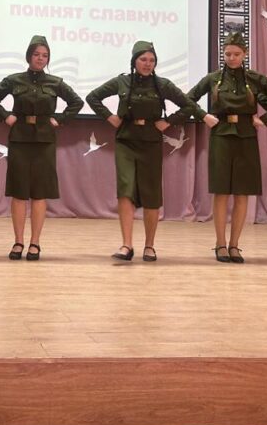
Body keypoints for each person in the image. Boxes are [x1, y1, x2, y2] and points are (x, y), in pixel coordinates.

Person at [86, 40, 205, 262]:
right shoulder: (122, 81)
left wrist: (169, 122)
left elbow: (188, 105)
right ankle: (126, 245)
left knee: (151, 193)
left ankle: (149, 246)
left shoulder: (162, 84)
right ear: (134, 61)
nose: (147, 64)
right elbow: (92, 97)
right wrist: (109, 117)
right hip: (126, 141)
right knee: (125, 189)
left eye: (152, 60)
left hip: (150, 142)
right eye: (143, 59)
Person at [0, 35, 84, 261]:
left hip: (44, 140)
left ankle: (35, 243)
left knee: (39, 193)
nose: (40, 59)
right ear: (28, 56)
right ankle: (18, 241)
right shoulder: (14, 80)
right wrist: (5, 116)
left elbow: (77, 102)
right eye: (36, 55)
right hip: (20, 139)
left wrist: (60, 120)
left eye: (45, 56)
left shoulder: (55, 82)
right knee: (19, 192)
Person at [185, 32, 267, 264]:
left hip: (246, 136)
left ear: (245, 54)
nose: (231, 58)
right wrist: (203, 116)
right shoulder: (213, 79)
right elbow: (188, 99)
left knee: (242, 192)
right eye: (228, 54)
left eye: (236, 54)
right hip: (221, 135)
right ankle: (220, 244)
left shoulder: (255, 79)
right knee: (221, 191)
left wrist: (266, 119)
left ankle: (235, 245)